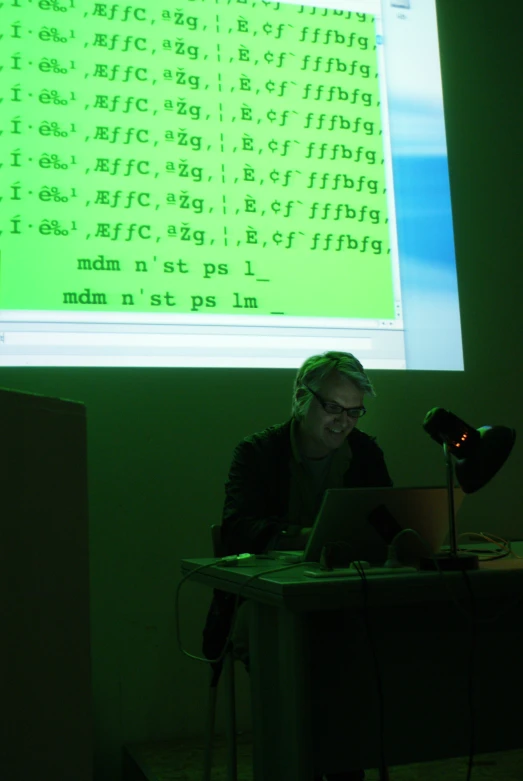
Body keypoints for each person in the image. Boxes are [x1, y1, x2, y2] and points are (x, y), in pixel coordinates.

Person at [202, 351, 392, 781]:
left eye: (354, 412)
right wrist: (310, 537)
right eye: (332, 407)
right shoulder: (257, 453)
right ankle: (308, 762)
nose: (343, 422)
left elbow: (386, 521)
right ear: (300, 398)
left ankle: (343, 764)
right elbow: (237, 529)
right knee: (316, 668)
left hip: (342, 601)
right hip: (266, 604)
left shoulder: (364, 452)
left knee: (362, 656)